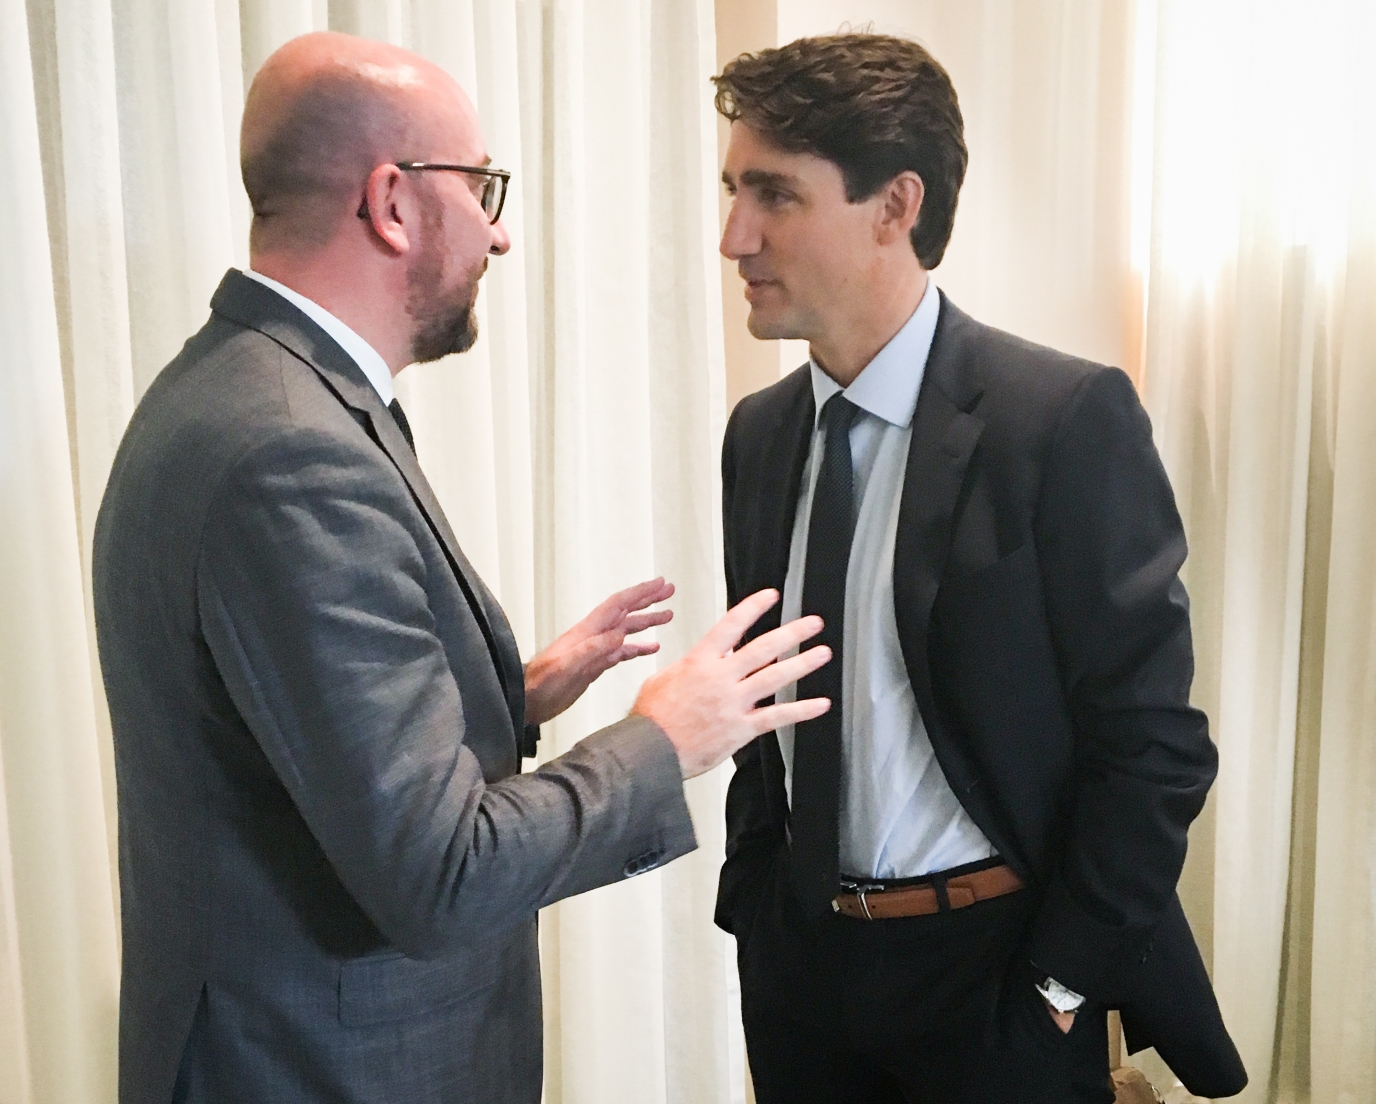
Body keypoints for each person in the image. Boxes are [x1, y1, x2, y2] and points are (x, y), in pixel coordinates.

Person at [92, 31, 831, 1104]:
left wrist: (512, 692)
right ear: (392, 203)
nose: (498, 232)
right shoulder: (290, 452)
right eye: (478, 186)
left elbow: (294, 741)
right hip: (319, 1070)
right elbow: (441, 873)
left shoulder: (241, 389)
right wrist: (664, 739)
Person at [712, 33, 1248, 1104]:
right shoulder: (758, 435)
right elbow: (767, 709)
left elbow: (1151, 748)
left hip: (993, 982)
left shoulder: (1058, 420)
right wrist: (756, 915)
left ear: (893, 206)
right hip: (801, 980)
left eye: (771, 195)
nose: (733, 236)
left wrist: (1056, 986)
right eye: (730, 189)